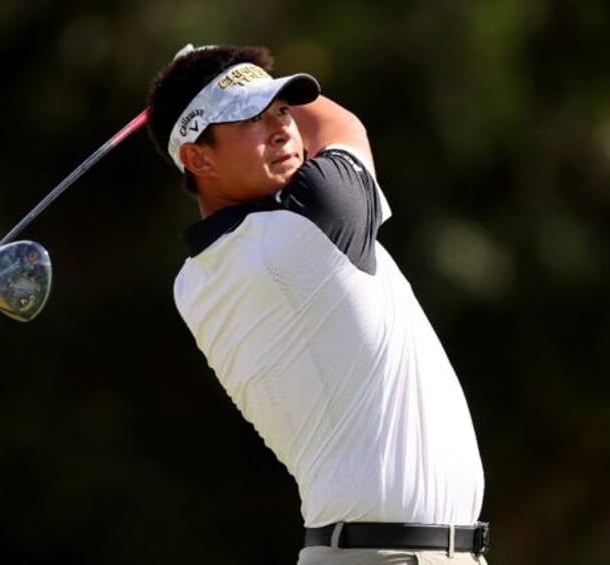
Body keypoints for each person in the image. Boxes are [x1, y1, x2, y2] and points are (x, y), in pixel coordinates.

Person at [145, 44, 489, 565]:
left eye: (281, 109)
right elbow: (342, 124)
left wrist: (220, 80)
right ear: (197, 157)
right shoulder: (306, 225)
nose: (282, 128)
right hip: (387, 556)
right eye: (250, 119)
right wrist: (219, 55)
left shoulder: (195, 282)